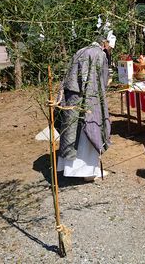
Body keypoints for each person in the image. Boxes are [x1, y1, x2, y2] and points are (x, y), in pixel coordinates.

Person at [56, 32, 115, 180]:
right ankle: (88, 172)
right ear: (105, 43)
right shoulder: (98, 54)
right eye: (110, 47)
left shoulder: (81, 50)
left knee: (72, 133)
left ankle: (69, 169)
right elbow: (98, 80)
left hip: (72, 97)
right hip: (87, 97)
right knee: (89, 130)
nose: (109, 50)